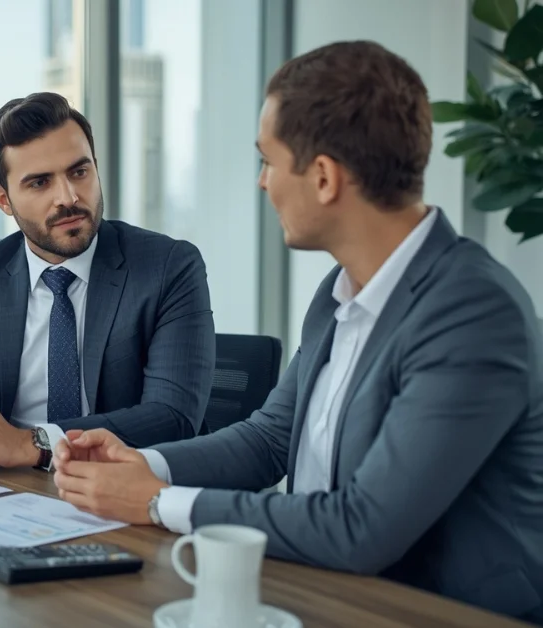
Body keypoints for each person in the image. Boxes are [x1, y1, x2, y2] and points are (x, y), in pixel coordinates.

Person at [49, 41, 543, 620]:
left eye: (269, 160)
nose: (263, 182)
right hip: (322, 593)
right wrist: (143, 465)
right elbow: (269, 440)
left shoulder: (472, 312)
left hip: (432, 612)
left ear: (325, 178)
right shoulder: (340, 290)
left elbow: (362, 527)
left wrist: (157, 503)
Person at [0, 92, 215, 470]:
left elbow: (173, 418)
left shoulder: (167, 267)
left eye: (79, 172)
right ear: (3, 200)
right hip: (11, 495)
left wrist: (34, 444)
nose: (67, 197)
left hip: (121, 496)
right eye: (39, 183)